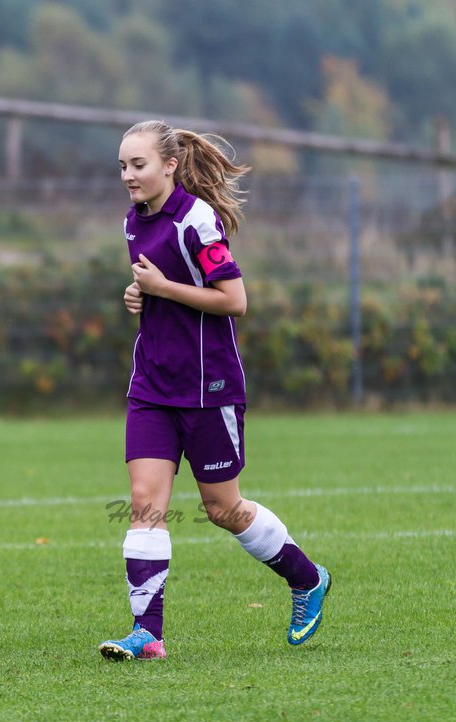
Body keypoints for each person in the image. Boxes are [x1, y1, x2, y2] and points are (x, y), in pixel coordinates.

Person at [99, 119, 331, 661]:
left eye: (138, 165)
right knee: (144, 505)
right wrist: (141, 294)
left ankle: (307, 578)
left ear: (170, 165)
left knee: (223, 508)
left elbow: (234, 300)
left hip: (210, 386)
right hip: (153, 384)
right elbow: (164, 287)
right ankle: (147, 634)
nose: (128, 176)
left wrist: (161, 288)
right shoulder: (133, 222)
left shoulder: (198, 221)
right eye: (123, 167)